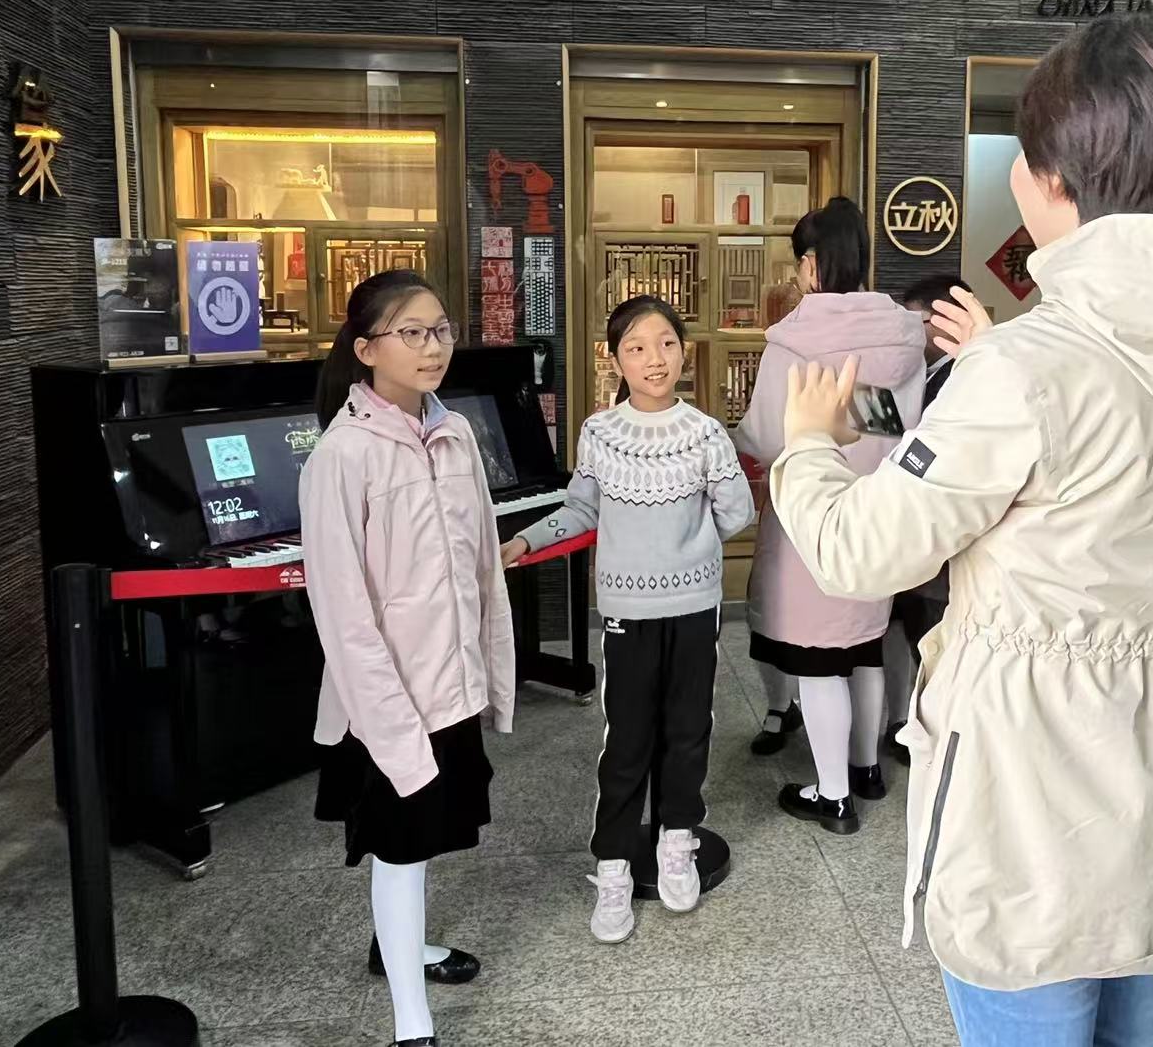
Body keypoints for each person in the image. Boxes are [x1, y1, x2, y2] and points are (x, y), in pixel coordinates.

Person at [769, 13, 1153, 1044]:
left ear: (1052, 177)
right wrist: (996, 368)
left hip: (1037, 796)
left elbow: (861, 550)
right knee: (1135, 1028)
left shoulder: (1024, 370)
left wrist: (809, 445)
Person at [301, 270, 515, 1047]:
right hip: (386, 701)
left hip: (450, 687)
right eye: (413, 332)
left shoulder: (454, 435)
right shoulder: (341, 456)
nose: (434, 347)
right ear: (366, 349)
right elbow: (344, 614)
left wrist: (491, 678)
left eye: (441, 330)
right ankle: (410, 1021)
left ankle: (402, 947)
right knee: (398, 846)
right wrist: (391, 727)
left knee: (422, 840)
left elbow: (483, 570)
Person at [501, 295, 753, 944]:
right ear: (615, 359)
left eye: (666, 343)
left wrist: (689, 547)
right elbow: (582, 510)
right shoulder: (600, 432)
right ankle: (613, 866)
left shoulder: (705, 432)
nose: (654, 358)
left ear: (683, 352)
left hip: (694, 607)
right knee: (628, 737)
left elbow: (738, 512)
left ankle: (677, 839)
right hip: (626, 612)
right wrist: (526, 540)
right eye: (636, 347)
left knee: (688, 728)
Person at [734, 196, 925, 835]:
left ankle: (833, 795)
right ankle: (866, 767)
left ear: (812, 264)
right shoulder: (900, 338)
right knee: (865, 645)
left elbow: (768, 436)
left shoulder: (794, 342)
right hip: (878, 515)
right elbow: (898, 430)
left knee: (818, 658)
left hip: (810, 517)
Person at [881, 272, 970, 768]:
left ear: (944, 320)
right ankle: (909, 727)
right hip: (920, 544)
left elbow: (927, 454)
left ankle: (938, 750)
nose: (908, 333)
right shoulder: (933, 373)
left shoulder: (963, 378)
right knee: (911, 639)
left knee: (935, 650)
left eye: (914, 322)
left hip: (940, 551)